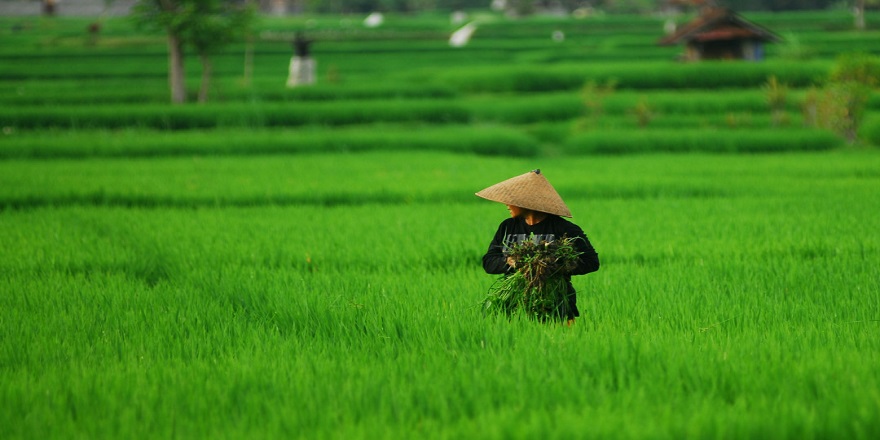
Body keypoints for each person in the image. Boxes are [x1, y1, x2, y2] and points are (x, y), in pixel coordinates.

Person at [476, 169, 599, 324]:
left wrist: (555, 265)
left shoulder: (566, 229)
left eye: (511, 200)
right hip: (515, 308)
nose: (507, 204)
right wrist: (510, 261)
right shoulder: (507, 227)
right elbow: (489, 262)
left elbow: (591, 262)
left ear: (527, 202)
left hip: (558, 308)